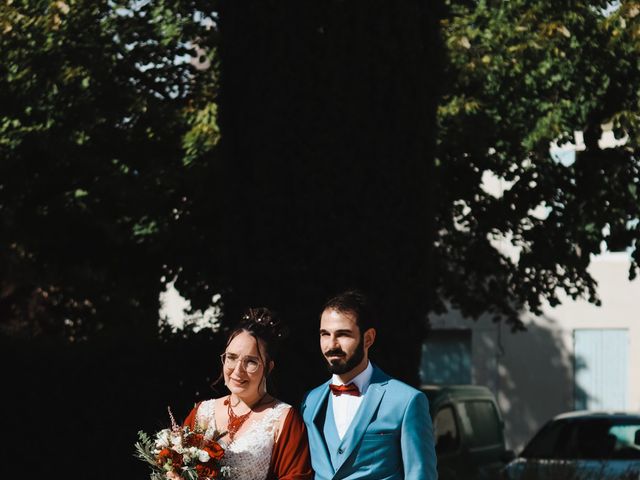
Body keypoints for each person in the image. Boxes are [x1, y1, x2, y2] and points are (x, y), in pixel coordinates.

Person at [301, 289, 437, 480]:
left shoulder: (407, 401)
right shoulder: (310, 401)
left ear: (368, 338)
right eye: (325, 334)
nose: (331, 345)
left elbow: (420, 475)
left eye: (343, 335)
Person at [183, 307, 313, 480]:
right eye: (231, 357)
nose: (238, 370)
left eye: (251, 361)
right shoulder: (201, 412)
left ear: (268, 368)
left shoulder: (283, 419)